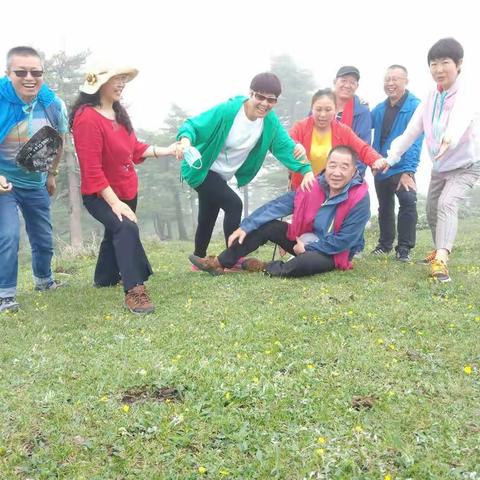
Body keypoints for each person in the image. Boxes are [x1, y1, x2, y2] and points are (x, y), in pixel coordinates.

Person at [175, 72, 314, 264]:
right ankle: (232, 258)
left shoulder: (269, 122)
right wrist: (184, 141)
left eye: (271, 100)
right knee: (234, 204)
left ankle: (199, 257)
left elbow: (285, 146)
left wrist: (306, 170)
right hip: (202, 170)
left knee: (209, 212)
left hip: (221, 175)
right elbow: (194, 125)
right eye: (260, 97)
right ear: (251, 93)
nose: (265, 103)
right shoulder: (229, 110)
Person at [70, 64, 176, 314]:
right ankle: (134, 290)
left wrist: (168, 150)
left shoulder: (118, 111)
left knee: (114, 232)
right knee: (125, 226)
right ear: (98, 83)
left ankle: (104, 277)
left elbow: (135, 149)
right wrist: (115, 203)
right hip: (100, 194)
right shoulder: (86, 118)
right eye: (115, 79)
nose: (121, 84)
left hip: (128, 190)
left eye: (123, 79)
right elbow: (92, 170)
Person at [373, 38, 480, 282]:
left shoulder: (467, 93)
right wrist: (389, 159)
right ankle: (437, 250)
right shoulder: (431, 97)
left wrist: (448, 138)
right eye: (433, 63)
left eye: (445, 62)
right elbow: (411, 132)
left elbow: (461, 117)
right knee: (432, 210)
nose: (439, 69)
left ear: (459, 64)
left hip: (467, 166)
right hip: (441, 166)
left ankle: (442, 261)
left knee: (446, 204)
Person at [189, 145, 370, 278]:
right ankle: (218, 263)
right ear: (326, 166)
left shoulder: (360, 198)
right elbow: (278, 206)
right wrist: (247, 226)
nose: (336, 172)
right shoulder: (314, 185)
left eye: (344, 167)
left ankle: (266, 267)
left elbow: (344, 240)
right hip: (303, 239)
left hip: (332, 252)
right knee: (268, 226)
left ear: (354, 170)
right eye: (332, 165)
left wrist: (307, 248)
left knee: (305, 262)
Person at [0, 46, 68, 314]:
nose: (30, 77)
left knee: (43, 237)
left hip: (35, 181)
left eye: (36, 72)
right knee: (8, 235)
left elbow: (58, 139)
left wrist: (51, 174)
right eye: (21, 72)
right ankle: (5, 294)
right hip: (5, 184)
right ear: (7, 73)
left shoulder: (52, 105)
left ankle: (43, 280)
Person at [370, 65, 423, 262]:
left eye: (395, 79)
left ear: (406, 81)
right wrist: (360, 105)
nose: (390, 83)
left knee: (408, 203)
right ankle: (384, 245)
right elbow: (365, 123)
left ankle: (404, 249)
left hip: (402, 167)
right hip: (382, 166)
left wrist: (408, 171)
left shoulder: (415, 106)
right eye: (387, 80)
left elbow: (416, 141)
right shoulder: (380, 107)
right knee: (384, 207)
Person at [289, 88, 382, 190]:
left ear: (335, 109)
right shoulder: (300, 127)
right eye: (318, 109)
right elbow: (288, 142)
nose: (323, 114)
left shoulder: (343, 131)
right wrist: (296, 145)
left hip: (330, 190)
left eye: (328, 110)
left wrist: (375, 160)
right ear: (312, 109)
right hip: (302, 187)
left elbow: (362, 148)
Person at [333, 66, 371, 175]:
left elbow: (363, 146)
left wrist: (354, 175)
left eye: (352, 82)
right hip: (316, 167)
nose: (347, 85)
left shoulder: (362, 110)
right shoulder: (322, 104)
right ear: (335, 82)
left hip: (347, 172)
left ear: (357, 86)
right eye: (343, 81)